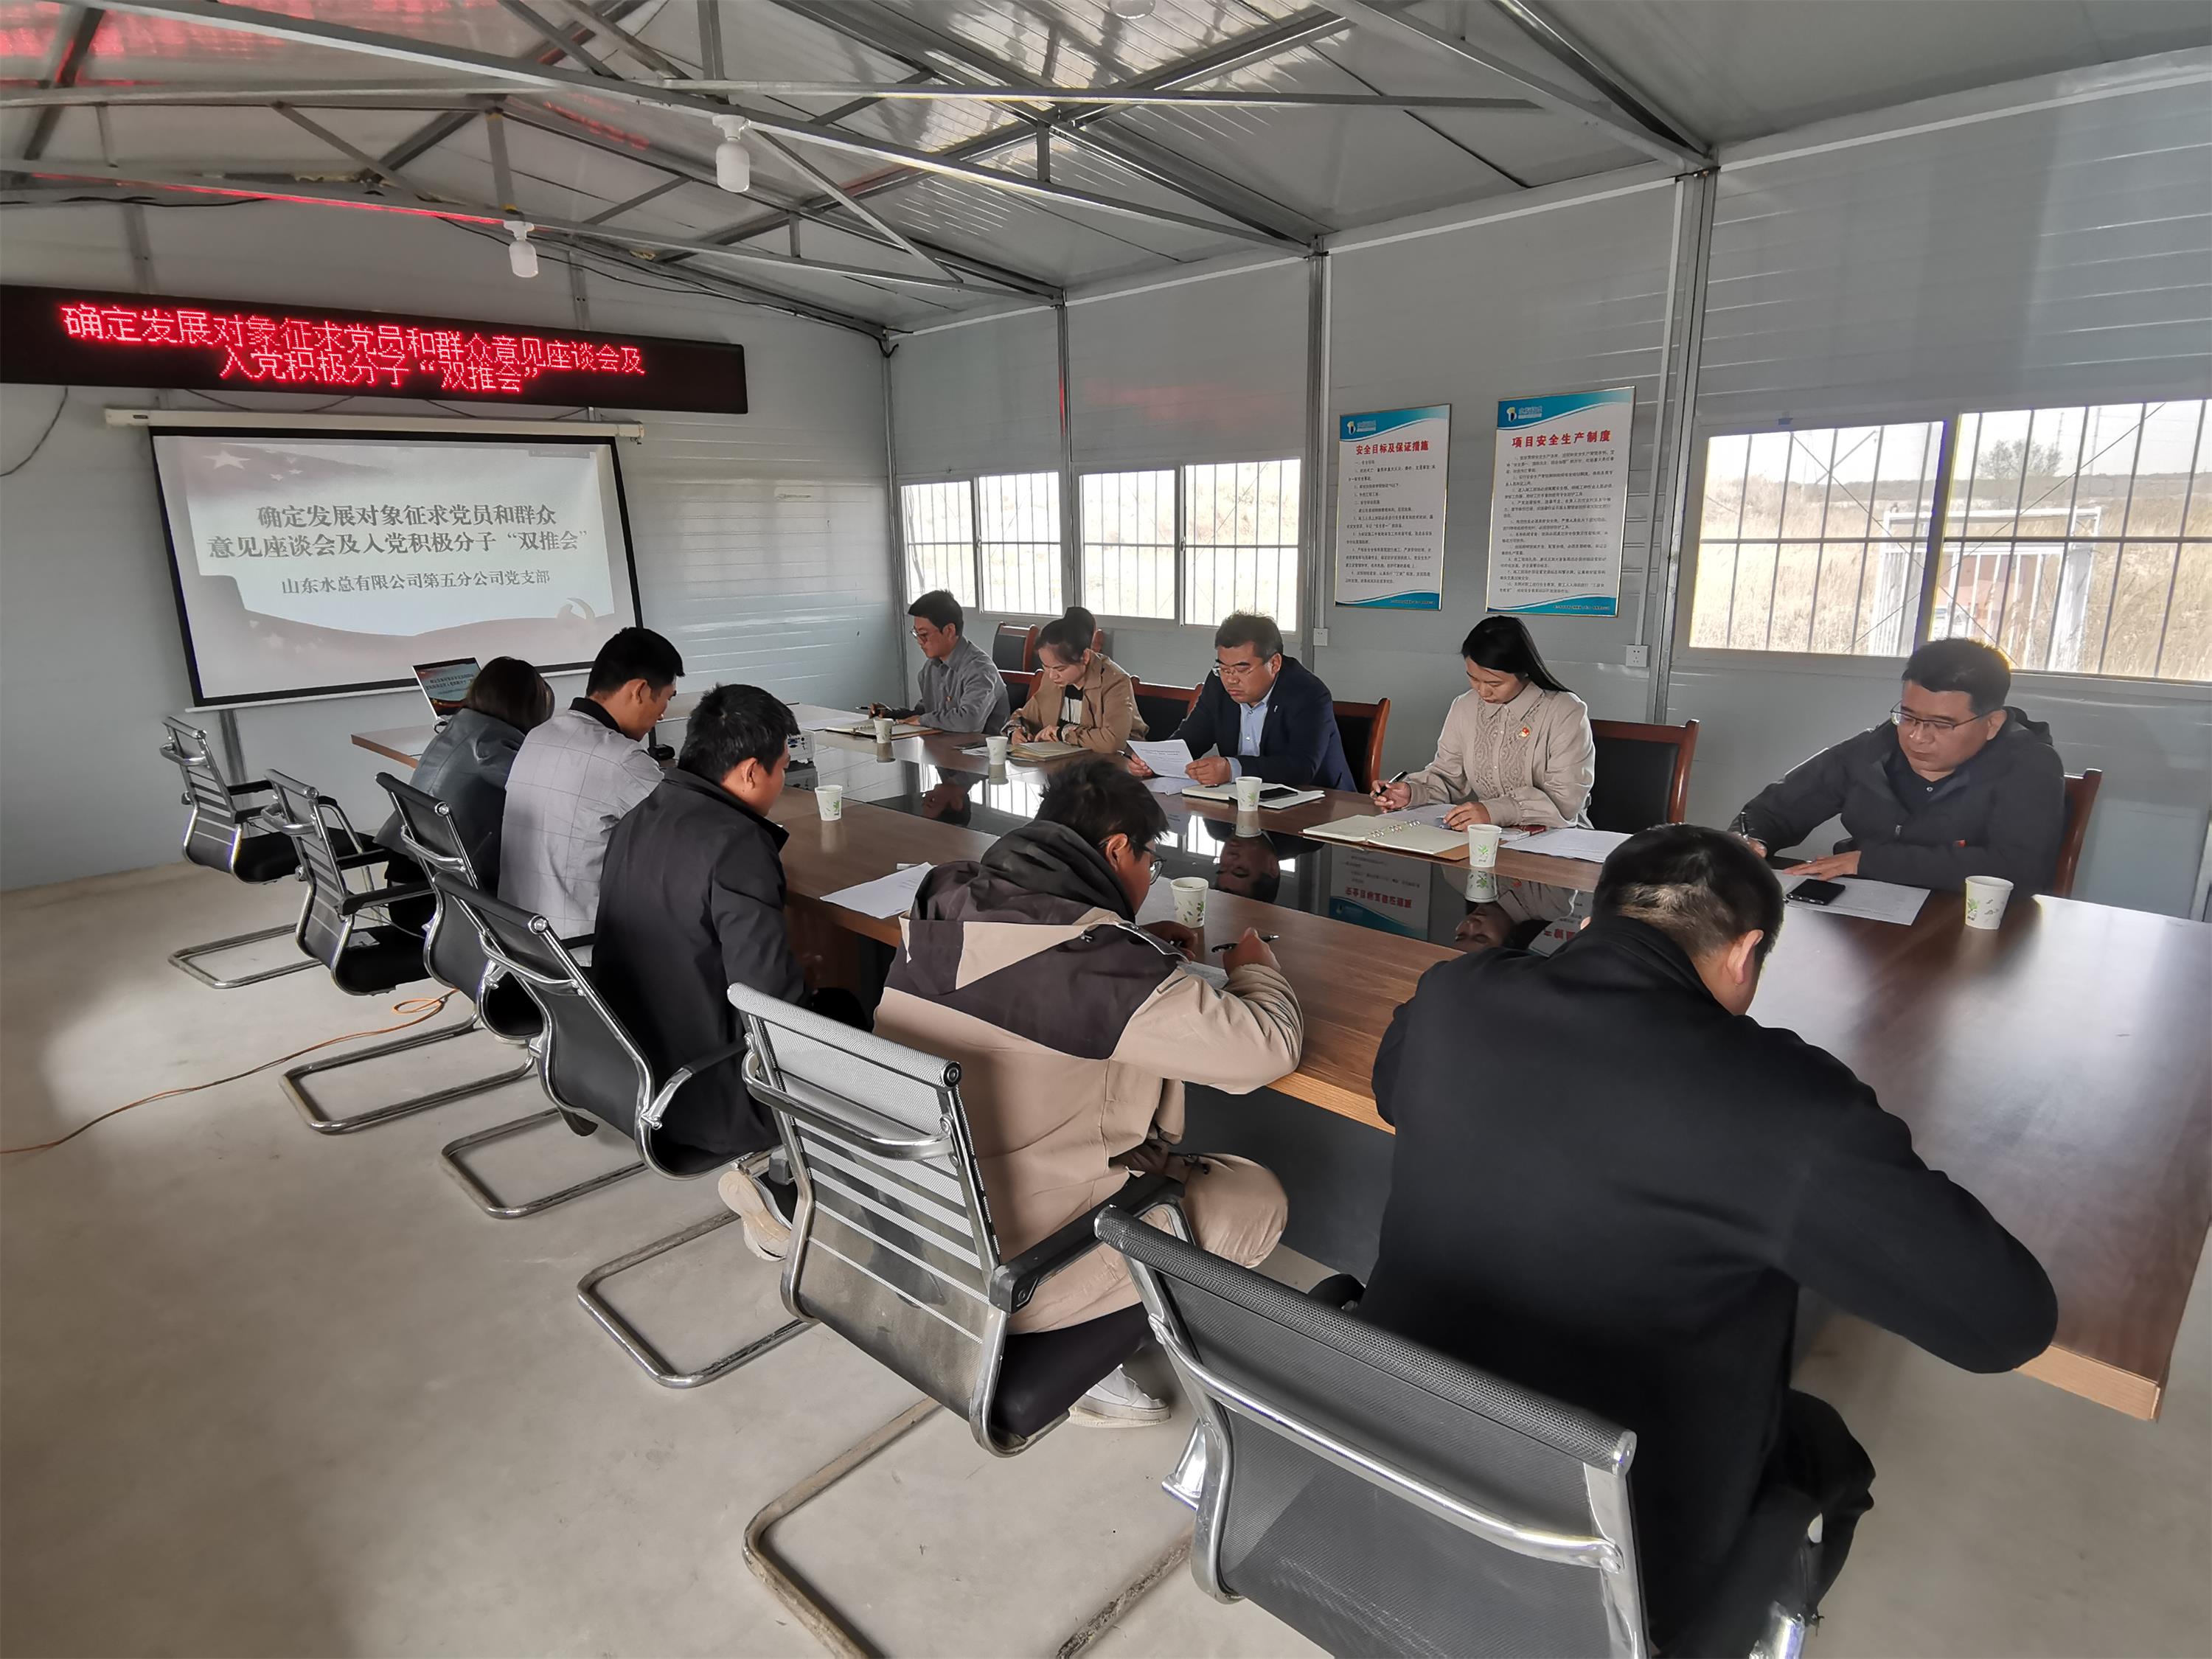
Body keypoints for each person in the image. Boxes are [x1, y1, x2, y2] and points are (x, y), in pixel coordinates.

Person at [1359, 825, 2056, 1652]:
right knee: (1825, 1447)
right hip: (1623, 1561)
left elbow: (1394, 1091)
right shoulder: (1786, 1104)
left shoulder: (1455, 992)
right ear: (1746, 952)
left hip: (1386, 1470)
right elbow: (2004, 1325)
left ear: (1590, 920)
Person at [872, 757, 1302, 1426]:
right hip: (1019, 1274)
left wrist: (1134, 948)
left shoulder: (944, 899)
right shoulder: (1097, 963)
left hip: (920, 1228)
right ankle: (1088, 1357)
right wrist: (1257, 970)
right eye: (1151, 861)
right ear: (1117, 850)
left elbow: (1032, 966)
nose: (1150, 877)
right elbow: (1266, 1049)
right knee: (1256, 1198)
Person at [591, 684, 860, 1259]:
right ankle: (787, 1193)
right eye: (783, 768)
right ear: (749, 772)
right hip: (703, 1089)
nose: (784, 780)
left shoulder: (641, 813)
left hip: (627, 1063)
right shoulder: (736, 844)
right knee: (852, 1017)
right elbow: (771, 1005)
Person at [1731, 638, 2066, 894]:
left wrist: (1871, 862)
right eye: (1908, 717)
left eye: (1941, 724)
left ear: (1992, 723)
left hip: (1969, 924)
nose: (1917, 737)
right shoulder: (1876, 749)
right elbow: (1777, 809)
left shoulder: (2029, 766)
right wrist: (1749, 840)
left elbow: (2019, 869)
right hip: (1864, 912)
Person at [500, 626, 681, 938]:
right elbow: (694, 835)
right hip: (580, 948)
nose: (662, 715)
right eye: (666, 699)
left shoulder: (539, 735)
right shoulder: (621, 758)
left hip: (520, 935)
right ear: (639, 690)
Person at [1370, 616, 1595, 830]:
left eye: (1495, 683)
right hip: (1488, 835)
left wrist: (1495, 811)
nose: (1483, 691)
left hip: (1559, 839)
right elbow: (1448, 776)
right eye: (1473, 678)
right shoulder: (1465, 706)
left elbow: (1567, 800)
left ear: (1524, 671)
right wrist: (1411, 793)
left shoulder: (1565, 711)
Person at [375, 655, 553, 891]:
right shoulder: (489, 742)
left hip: (409, 865)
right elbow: (541, 787)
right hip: (432, 889)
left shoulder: (462, 726)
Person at [1130, 612, 1358, 793]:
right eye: (1224, 668)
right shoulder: (1218, 684)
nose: (1231, 679)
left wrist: (1232, 769)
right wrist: (1155, 761)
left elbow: (1301, 767)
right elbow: (1192, 737)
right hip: (1242, 801)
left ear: (1275, 663)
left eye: (1242, 669)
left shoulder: (1308, 693)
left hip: (1318, 805)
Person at [1009, 606, 1146, 753]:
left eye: (1060, 669)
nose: (1052, 675)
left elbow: (1113, 741)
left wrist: (1062, 733)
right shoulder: (1052, 678)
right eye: (1046, 667)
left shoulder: (1115, 681)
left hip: (1113, 761)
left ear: (1085, 657)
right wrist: (1017, 731)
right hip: (1061, 758)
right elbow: (1025, 717)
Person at [876, 589, 1010, 736]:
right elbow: (926, 714)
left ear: (949, 631)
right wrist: (893, 715)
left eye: (924, 634)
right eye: (916, 634)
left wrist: (922, 720)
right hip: (941, 747)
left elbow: (969, 722)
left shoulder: (980, 669)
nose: (920, 641)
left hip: (980, 749)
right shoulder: (930, 668)